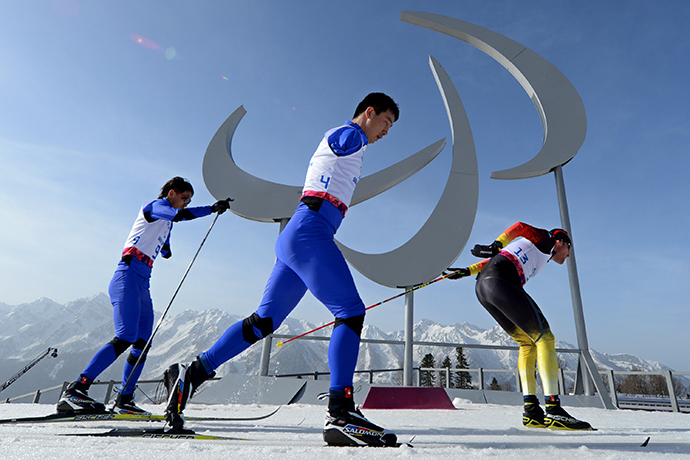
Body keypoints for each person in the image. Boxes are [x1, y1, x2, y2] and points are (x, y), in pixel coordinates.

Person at [163, 93, 400, 446]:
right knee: (350, 311)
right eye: (386, 123)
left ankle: (191, 374)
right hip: (310, 232)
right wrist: (359, 132)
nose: (386, 132)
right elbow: (344, 137)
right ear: (369, 112)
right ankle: (340, 413)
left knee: (263, 322)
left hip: (299, 233)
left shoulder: (353, 143)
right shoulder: (348, 135)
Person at [56, 177, 230, 415]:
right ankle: (76, 390)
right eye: (184, 197)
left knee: (142, 343)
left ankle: (125, 398)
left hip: (142, 280)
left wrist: (167, 248)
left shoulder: (167, 221)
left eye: (189, 199)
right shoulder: (154, 206)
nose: (186, 202)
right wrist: (211, 209)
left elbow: (166, 244)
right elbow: (179, 216)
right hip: (127, 275)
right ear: (171, 193)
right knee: (126, 335)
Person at [446, 222, 592, 430]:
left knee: (527, 343)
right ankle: (553, 410)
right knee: (545, 338)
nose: (569, 255)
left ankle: (532, 411)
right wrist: (497, 243)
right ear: (561, 242)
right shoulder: (546, 239)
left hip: (484, 287)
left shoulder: (538, 252)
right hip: (501, 282)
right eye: (570, 249)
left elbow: (495, 260)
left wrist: (465, 271)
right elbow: (521, 226)